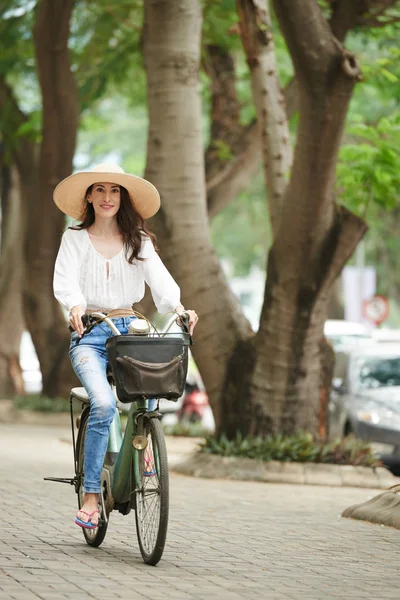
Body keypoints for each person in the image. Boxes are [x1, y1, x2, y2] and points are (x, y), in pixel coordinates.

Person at [53, 163, 198, 529]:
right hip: (89, 333)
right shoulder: (74, 237)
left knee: (152, 377)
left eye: (114, 191)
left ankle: (144, 443)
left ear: (123, 197)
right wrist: (74, 305)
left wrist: (180, 310)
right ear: (88, 196)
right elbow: (65, 280)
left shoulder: (139, 241)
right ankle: (90, 498)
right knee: (103, 404)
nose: (106, 197)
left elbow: (162, 284)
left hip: (128, 330)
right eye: (99, 190)